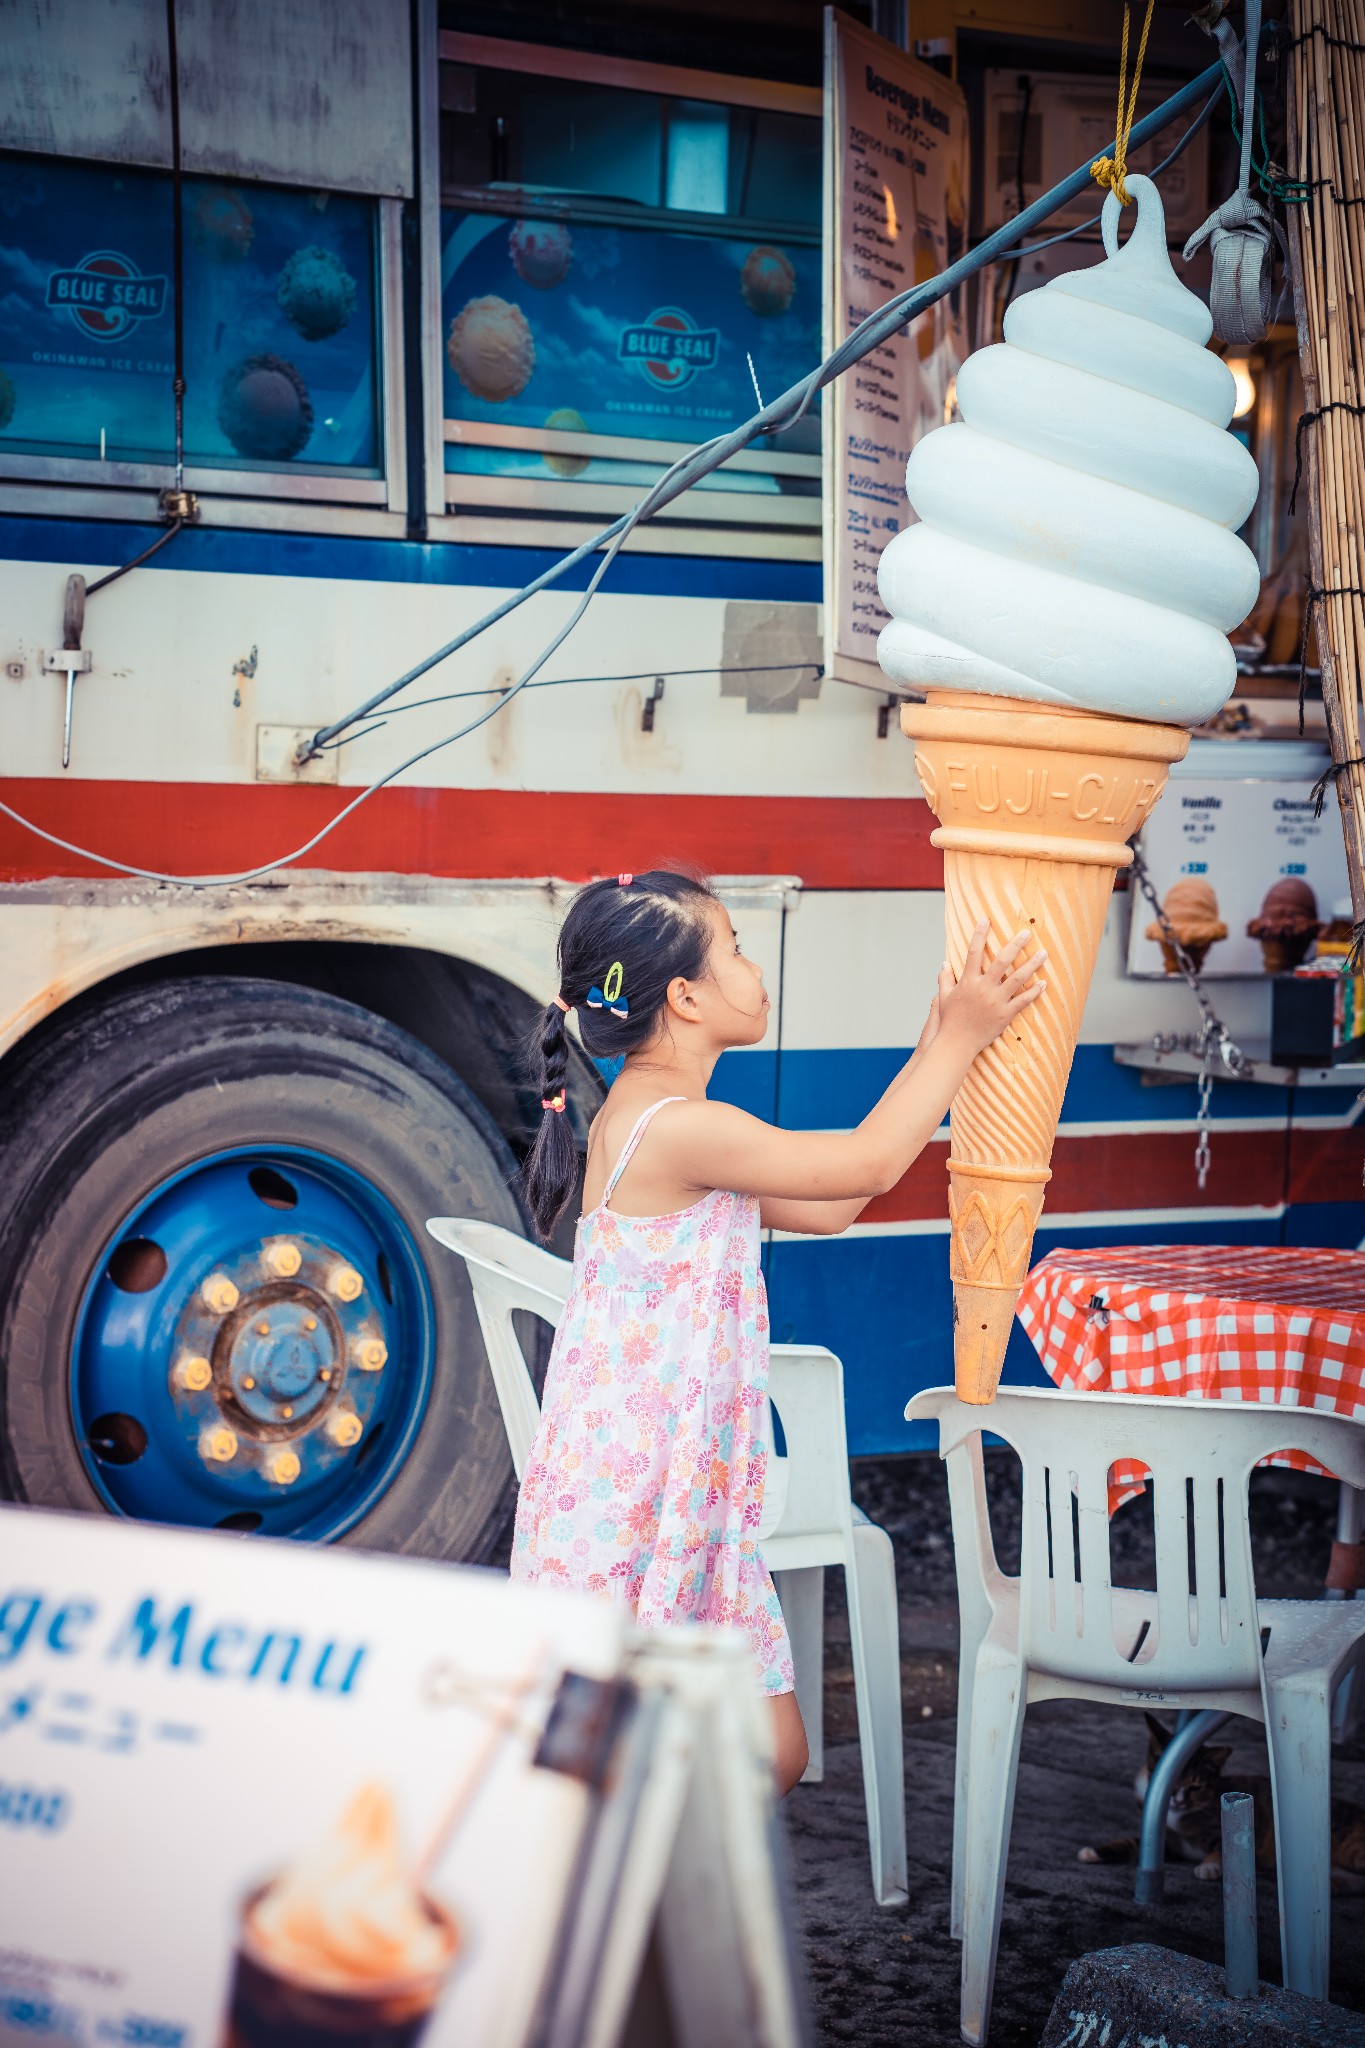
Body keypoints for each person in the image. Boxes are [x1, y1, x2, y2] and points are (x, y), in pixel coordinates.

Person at [511, 869, 1045, 1797]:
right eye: (735, 951)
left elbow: (836, 1207)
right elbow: (869, 1162)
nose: (755, 971)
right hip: (639, 1504)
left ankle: (641, 1918)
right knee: (711, 1762)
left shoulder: (664, 1125)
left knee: (745, 1757)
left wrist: (936, 1039)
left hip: (677, 1497)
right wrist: (960, 1038)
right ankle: (633, 1922)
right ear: (683, 997)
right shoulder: (679, 1130)